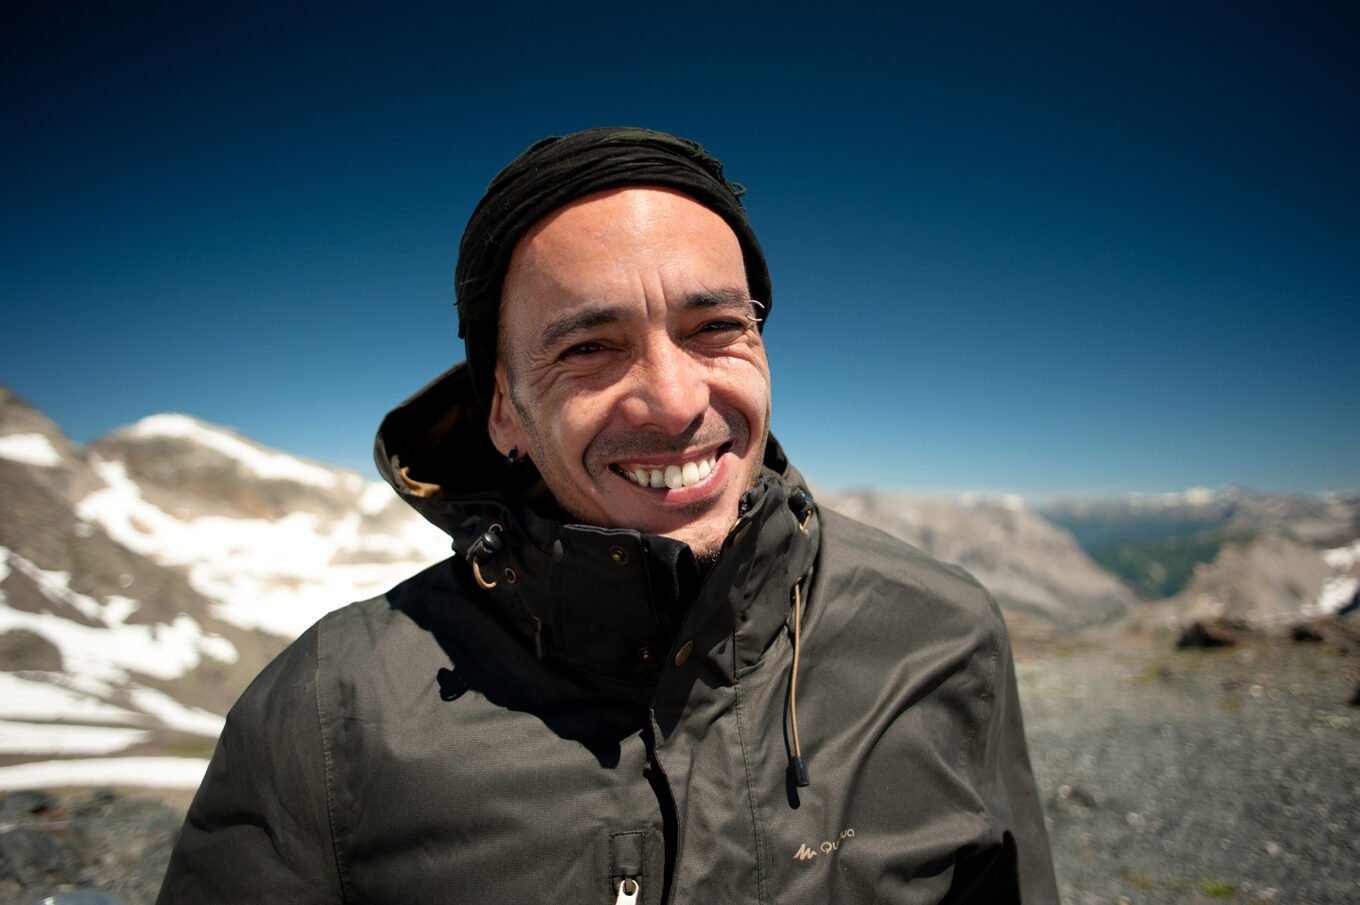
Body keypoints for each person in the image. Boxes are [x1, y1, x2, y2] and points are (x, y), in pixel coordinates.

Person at [156, 127, 1059, 904]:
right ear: (502, 410)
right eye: (590, 347)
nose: (673, 401)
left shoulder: (941, 632)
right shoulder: (326, 714)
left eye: (715, 328)